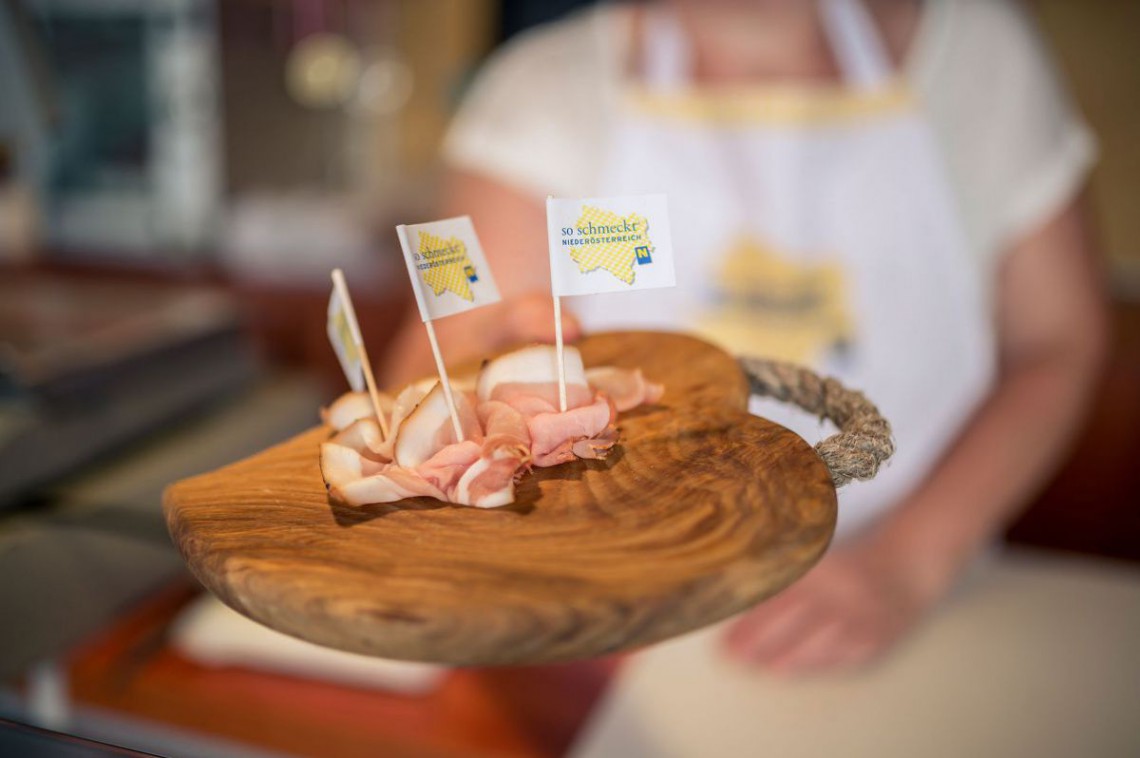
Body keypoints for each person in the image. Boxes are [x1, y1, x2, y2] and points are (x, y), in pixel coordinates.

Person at [382, 0, 1107, 674]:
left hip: (935, 615)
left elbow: (1056, 344)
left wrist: (906, 563)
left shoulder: (980, 54)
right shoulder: (539, 89)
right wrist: (471, 390)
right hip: (616, 610)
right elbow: (437, 362)